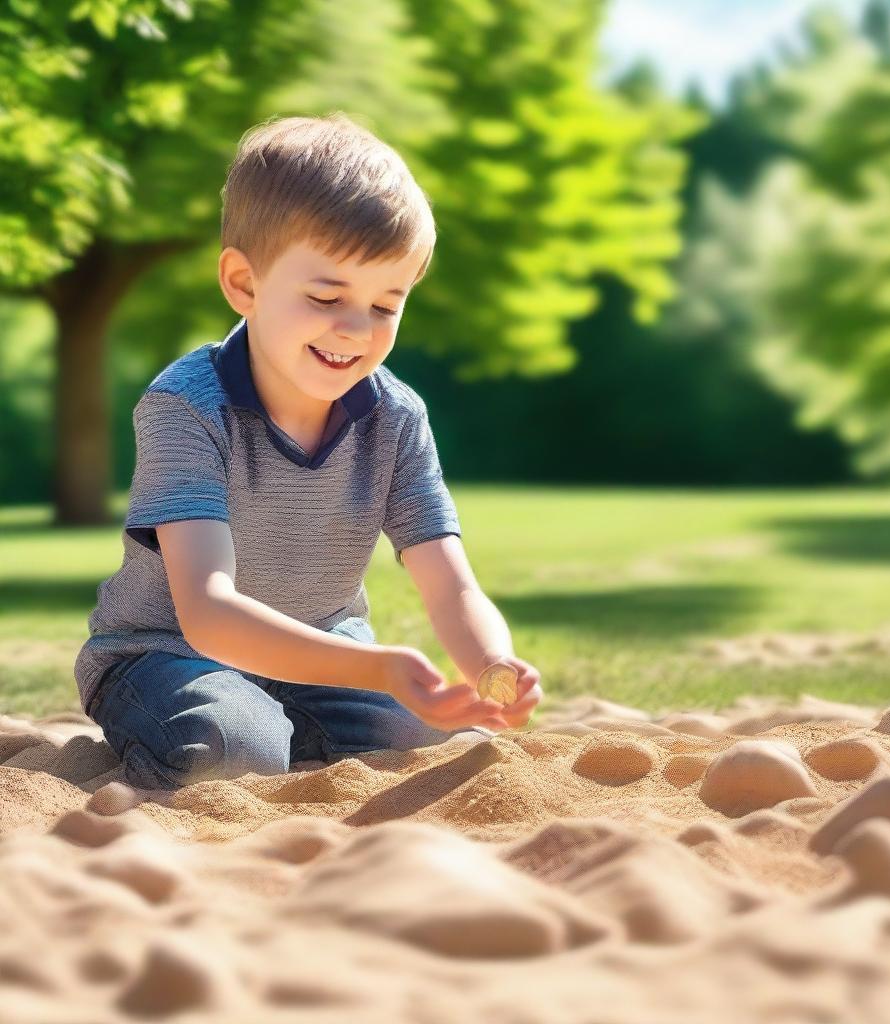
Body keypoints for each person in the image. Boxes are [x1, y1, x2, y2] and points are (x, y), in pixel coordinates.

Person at [73, 112, 543, 790]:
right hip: (168, 655)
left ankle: (291, 725)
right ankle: (251, 729)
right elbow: (207, 611)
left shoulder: (396, 417)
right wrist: (377, 669)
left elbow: (451, 583)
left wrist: (493, 667)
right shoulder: (187, 406)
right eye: (327, 296)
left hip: (328, 658)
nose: (356, 329)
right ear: (244, 284)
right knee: (231, 747)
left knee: (436, 741)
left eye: (386, 305)